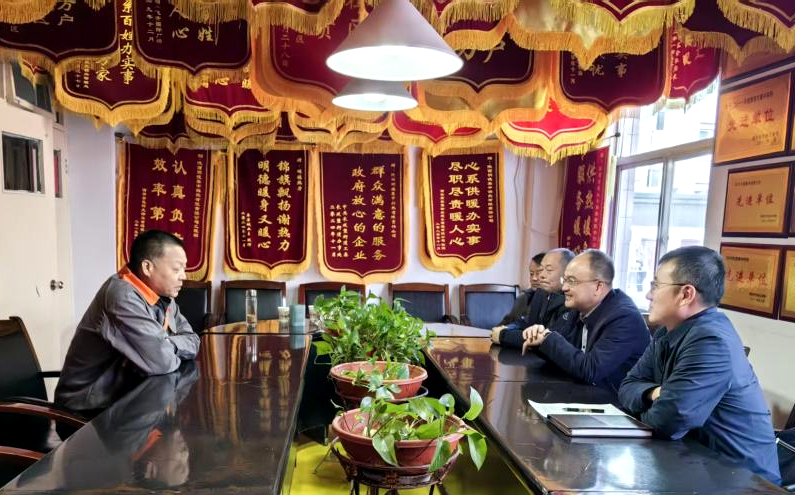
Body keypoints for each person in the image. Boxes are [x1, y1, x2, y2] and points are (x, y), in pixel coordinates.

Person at [618, 246, 780, 484]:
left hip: (742, 481)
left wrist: (656, 403)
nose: (648, 295)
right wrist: (654, 393)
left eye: (656, 285)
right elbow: (626, 387)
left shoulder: (711, 341)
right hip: (692, 463)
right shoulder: (666, 331)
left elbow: (666, 422)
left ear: (686, 294)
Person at [55, 230, 200, 416]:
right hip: (89, 412)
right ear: (147, 267)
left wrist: (165, 344)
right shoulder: (122, 297)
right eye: (176, 269)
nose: (184, 276)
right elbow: (162, 362)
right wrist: (163, 347)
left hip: (129, 400)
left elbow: (193, 340)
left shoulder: (163, 296)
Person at [521, 249, 649, 393]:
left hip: (617, 400)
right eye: (565, 280)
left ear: (598, 287)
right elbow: (564, 353)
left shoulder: (624, 318)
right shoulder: (579, 308)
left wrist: (547, 338)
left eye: (572, 281)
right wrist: (539, 339)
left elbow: (591, 370)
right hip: (586, 393)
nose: (564, 288)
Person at [492, 249, 574, 347]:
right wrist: (506, 328)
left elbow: (547, 340)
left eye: (548, 270)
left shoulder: (571, 301)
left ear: (566, 273)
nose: (541, 276)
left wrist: (503, 336)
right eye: (541, 270)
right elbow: (527, 323)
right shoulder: (541, 293)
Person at [495, 252, 545, 327]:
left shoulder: (555, 301)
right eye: (531, 274)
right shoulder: (524, 298)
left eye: (538, 274)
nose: (534, 278)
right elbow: (506, 323)